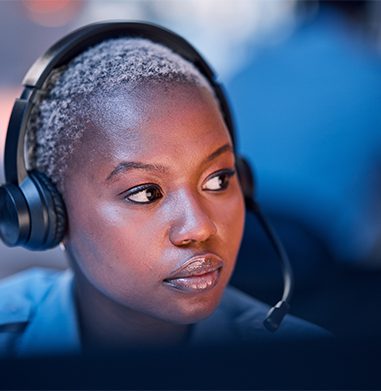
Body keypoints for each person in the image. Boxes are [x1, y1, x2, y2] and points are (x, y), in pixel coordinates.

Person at [0, 23, 328, 357]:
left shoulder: (310, 365)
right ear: (46, 212)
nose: (199, 227)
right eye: (145, 193)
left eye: (218, 181)